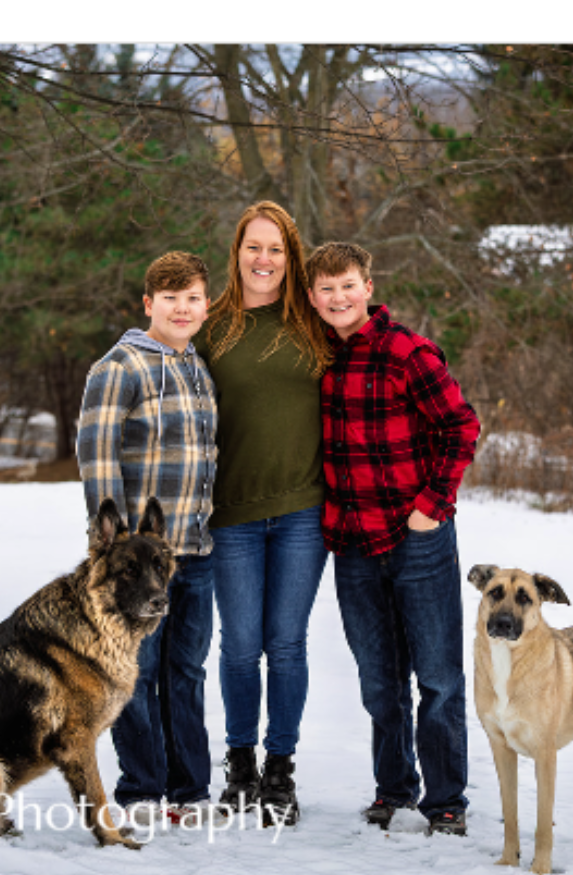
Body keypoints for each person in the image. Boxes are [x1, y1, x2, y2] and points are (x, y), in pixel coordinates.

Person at [307, 239, 481, 837]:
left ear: (368, 287)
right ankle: (393, 788)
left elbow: (462, 425)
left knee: (437, 678)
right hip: (353, 542)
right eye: (326, 289)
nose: (338, 297)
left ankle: (447, 801)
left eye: (348, 285)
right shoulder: (315, 358)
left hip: (418, 538)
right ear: (312, 296)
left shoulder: (407, 351)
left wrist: (434, 505)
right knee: (379, 681)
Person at [200, 202, 335, 828]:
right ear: (237, 253)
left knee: (286, 646)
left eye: (276, 249)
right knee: (238, 647)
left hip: (304, 512)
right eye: (254, 247)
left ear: (292, 256)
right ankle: (240, 767)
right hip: (231, 515)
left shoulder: (314, 324)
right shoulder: (213, 325)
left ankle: (280, 771)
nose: (264, 259)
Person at [75, 249, 220, 824]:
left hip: (195, 552)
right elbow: (96, 453)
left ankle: (189, 792)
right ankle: (141, 790)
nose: (181, 310)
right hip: (139, 564)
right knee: (138, 673)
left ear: (206, 306)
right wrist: (112, 547)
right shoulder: (120, 366)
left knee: (186, 672)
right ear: (149, 304)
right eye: (170, 300)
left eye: (192, 299)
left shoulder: (197, 366)